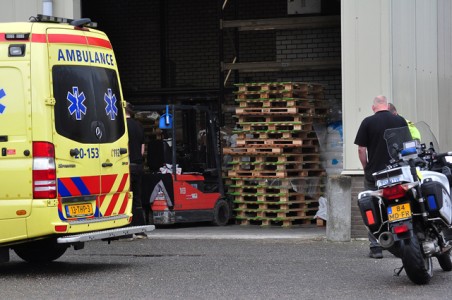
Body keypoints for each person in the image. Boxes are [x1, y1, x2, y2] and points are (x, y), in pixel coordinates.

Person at [354, 95, 407, 259]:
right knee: (401, 203)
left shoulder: (367, 122)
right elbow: (406, 146)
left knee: (371, 207)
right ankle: (402, 241)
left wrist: (365, 167)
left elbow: (361, 149)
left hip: (375, 175)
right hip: (397, 173)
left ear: (373, 107)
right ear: (387, 105)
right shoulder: (400, 120)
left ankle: (376, 247)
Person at [125, 102, 147, 239]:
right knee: (137, 199)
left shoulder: (121, 126)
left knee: (125, 199)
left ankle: (126, 232)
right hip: (138, 166)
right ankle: (140, 231)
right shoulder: (139, 125)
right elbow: (142, 148)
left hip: (126, 167)